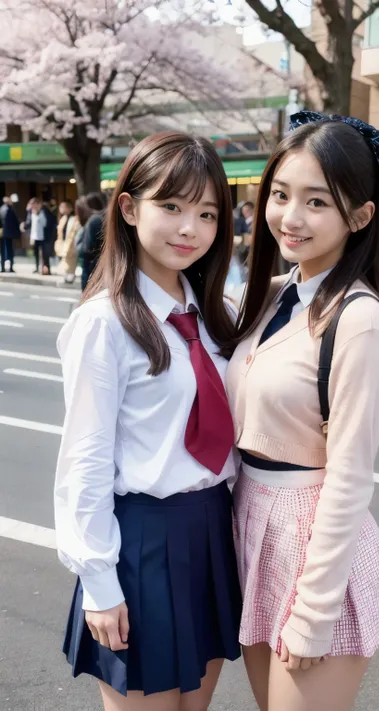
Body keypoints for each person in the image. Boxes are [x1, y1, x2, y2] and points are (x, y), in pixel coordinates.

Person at [226, 111, 379, 711]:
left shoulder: (358, 321)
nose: (290, 217)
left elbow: (350, 478)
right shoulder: (276, 295)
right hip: (253, 528)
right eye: (280, 195)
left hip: (313, 549)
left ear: (360, 218)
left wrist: (314, 610)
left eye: (316, 202)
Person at [54, 131, 242, 711]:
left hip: (213, 531)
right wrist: (100, 585)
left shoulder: (217, 314)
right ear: (130, 208)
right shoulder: (104, 323)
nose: (190, 228)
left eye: (207, 213)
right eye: (172, 206)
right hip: (141, 542)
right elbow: (84, 458)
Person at [76, 192, 106, 290]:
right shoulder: (101, 218)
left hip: (90, 265)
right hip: (96, 264)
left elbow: (87, 248)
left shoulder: (94, 220)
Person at [55, 200, 81, 284]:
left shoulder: (75, 219)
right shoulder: (63, 218)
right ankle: (67, 274)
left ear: (70, 208)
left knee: (71, 259)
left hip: (72, 243)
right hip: (64, 243)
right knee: (65, 259)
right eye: (61, 207)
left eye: (64, 207)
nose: (62, 209)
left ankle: (71, 275)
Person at [0, 195, 21, 273]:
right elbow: (14, 222)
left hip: (2, 234)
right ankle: (11, 267)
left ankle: (2, 268)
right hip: (9, 234)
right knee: (10, 251)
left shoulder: (1, 209)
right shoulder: (10, 210)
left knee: (3, 251)